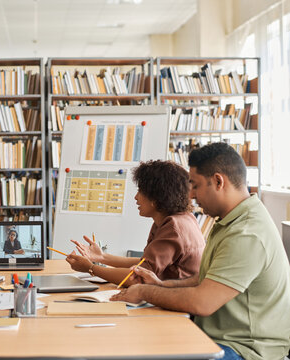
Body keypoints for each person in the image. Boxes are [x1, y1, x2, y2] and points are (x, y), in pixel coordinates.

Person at [112, 143, 290, 360]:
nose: (191, 195)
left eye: (195, 186)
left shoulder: (247, 233)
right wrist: (160, 285)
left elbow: (202, 302)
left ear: (218, 181)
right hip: (217, 337)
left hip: (243, 350)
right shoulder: (230, 220)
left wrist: (143, 292)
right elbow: (205, 279)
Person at [66, 160, 205, 285]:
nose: (136, 197)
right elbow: (144, 264)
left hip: (176, 307)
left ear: (157, 196)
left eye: (141, 191)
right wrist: (101, 257)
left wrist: (91, 268)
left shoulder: (173, 227)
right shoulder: (180, 219)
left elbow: (136, 278)